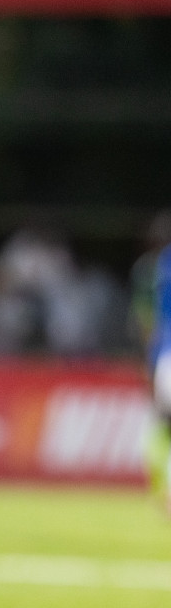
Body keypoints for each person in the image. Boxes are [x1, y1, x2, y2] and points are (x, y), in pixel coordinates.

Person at [133, 212, 171, 503]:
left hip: (165, 357)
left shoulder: (154, 267)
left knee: (160, 423)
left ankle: (160, 485)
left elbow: (149, 323)